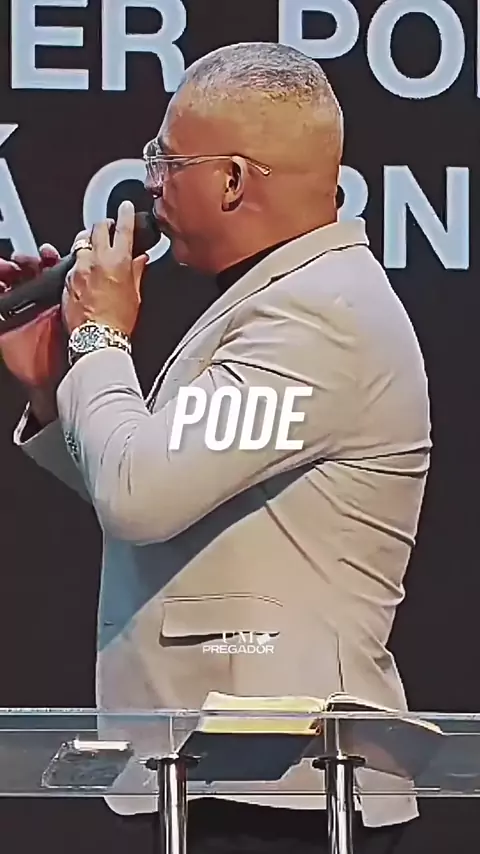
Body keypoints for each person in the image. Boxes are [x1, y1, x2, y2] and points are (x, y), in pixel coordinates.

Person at [0, 42, 431, 854]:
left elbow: (138, 497)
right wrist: (58, 380)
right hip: (217, 780)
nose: (151, 182)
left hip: (285, 794)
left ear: (232, 179)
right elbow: (158, 482)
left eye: (167, 160)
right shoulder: (281, 302)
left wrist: (99, 337)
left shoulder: (318, 317)